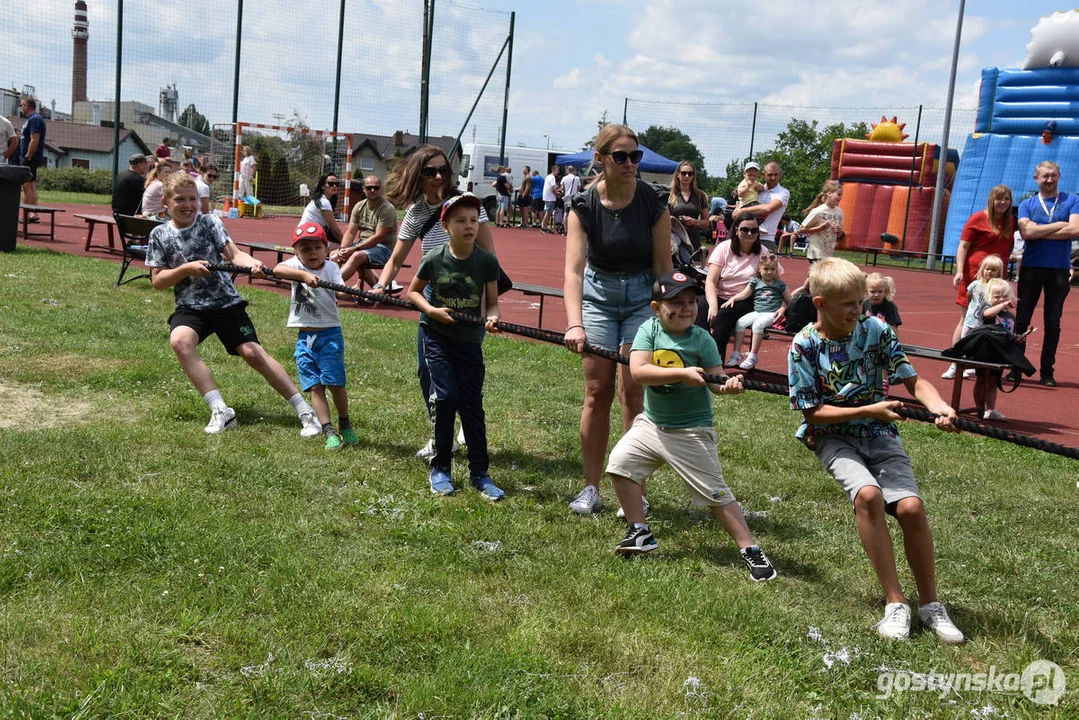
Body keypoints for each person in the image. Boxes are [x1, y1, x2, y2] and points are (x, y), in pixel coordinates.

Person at [789, 257, 965, 644]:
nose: (858, 310)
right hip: (832, 435)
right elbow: (812, 413)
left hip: (880, 433)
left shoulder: (876, 330)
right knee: (868, 496)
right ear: (820, 304)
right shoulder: (803, 345)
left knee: (911, 508)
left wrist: (939, 407)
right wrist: (868, 408)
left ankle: (931, 605)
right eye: (848, 303)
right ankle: (895, 603)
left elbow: (914, 381)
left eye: (860, 301)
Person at [606, 270, 778, 580]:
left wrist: (728, 385)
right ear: (656, 307)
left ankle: (750, 549)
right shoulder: (648, 331)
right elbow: (639, 372)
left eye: (691, 302)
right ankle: (639, 531)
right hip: (652, 424)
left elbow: (716, 381)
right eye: (677, 302)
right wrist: (682, 374)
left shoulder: (702, 339)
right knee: (620, 464)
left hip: (690, 431)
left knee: (716, 495)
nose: (686, 308)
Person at [145, 173, 321, 438]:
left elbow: (234, 254)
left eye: (192, 199)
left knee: (252, 353)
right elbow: (158, 281)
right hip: (190, 306)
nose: (188, 205)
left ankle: (305, 410)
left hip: (225, 302)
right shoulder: (159, 234)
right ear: (165, 201)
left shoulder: (209, 223)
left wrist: (252, 264)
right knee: (180, 341)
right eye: (180, 199)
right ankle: (220, 411)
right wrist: (186, 269)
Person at [563, 124, 672, 515]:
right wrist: (575, 322)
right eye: (621, 157)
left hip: (643, 297)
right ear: (601, 159)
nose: (630, 163)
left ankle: (633, 490)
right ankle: (591, 487)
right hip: (599, 296)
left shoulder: (654, 202)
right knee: (597, 392)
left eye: (635, 156)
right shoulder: (584, 205)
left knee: (634, 393)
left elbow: (664, 268)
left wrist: (666, 318)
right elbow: (574, 272)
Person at [375, 145, 500, 459]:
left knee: (464, 371)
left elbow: (490, 256)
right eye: (430, 171)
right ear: (418, 175)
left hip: (471, 302)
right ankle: (439, 433)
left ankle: (464, 428)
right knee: (426, 370)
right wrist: (380, 284)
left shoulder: (467, 204)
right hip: (433, 301)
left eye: (444, 169)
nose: (439, 176)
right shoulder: (417, 213)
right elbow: (396, 257)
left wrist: (488, 305)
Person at [407, 193, 505, 501]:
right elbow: (414, 293)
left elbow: (492, 305)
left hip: (470, 341)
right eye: (461, 221)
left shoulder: (487, 261)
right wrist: (433, 311)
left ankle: (480, 473)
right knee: (446, 398)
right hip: (436, 337)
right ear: (446, 225)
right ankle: (441, 469)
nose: (469, 226)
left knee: (472, 406)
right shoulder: (435, 258)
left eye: (474, 221)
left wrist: (491, 319)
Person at [272, 222, 359, 450]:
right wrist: (303, 276)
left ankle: (345, 423)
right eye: (305, 249)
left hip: (329, 334)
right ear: (296, 252)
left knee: (335, 383)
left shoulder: (330, 268)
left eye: (316, 248)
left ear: (326, 248)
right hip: (304, 337)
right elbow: (278, 270)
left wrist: (361, 292)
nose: (312, 253)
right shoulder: (295, 266)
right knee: (315, 386)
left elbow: (341, 290)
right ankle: (328, 429)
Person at [1015, 161, 1078, 387]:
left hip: (1059, 270)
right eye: (1044, 176)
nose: (1049, 180)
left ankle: (1047, 371)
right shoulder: (1027, 204)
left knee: (1053, 323)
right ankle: (1016, 367)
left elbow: (1075, 229)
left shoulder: (1072, 200)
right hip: (1031, 268)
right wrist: (1058, 225)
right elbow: (1025, 231)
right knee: (1021, 320)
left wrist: (1038, 232)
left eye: (1053, 176)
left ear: (1059, 176)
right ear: (1036, 178)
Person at [948, 185, 1015, 374]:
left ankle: (976, 361)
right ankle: (955, 361)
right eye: (999, 199)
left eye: (1007, 199)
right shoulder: (978, 218)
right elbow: (963, 246)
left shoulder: (1010, 221)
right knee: (967, 318)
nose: (1002, 203)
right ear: (991, 200)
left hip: (996, 280)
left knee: (990, 321)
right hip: (976, 275)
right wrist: (960, 271)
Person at [700, 215, 768, 367]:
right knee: (700, 309)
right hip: (720, 294)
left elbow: (771, 280)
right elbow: (711, 281)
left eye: (754, 230)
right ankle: (697, 352)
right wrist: (713, 306)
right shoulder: (724, 248)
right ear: (736, 230)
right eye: (745, 230)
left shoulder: (763, 252)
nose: (750, 234)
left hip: (745, 298)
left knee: (724, 314)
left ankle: (713, 361)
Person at [723, 252, 790, 370]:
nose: (769, 272)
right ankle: (736, 354)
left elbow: (790, 299)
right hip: (758, 312)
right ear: (759, 269)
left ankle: (753, 356)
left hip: (772, 314)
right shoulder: (755, 282)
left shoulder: (780, 284)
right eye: (766, 269)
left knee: (758, 325)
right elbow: (744, 294)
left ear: (776, 270)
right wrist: (733, 298)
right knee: (740, 322)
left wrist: (782, 308)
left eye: (773, 269)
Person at [335, 174, 401, 292]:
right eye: (369, 187)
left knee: (357, 256)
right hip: (364, 245)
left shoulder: (387, 209)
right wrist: (343, 249)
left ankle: (328, 286)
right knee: (335, 255)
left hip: (385, 248)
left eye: (376, 187)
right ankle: (379, 289)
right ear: (363, 189)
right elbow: (350, 232)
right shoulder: (359, 206)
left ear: (381, 189)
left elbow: (378, 237)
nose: (372, 190)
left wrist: (354, 249)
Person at [944, 254, 1005, 380]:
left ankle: (973, 366)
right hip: (971, 320)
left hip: (985, 324)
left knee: (979, 345)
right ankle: (955, 366)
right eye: (987, 269)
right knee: (964, 342)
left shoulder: (997, 287)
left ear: (998, 272)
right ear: (982, 269)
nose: (989, 272)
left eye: (993, 270)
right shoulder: (975, 284)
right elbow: (969, 296)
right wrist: (971, 311)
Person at [977, 277, 1017, 421]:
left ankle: (991, 409)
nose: (1001, 300)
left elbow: (1009, 333)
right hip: (985, 351)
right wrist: (1002, 305)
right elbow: (987, 314)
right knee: (981, 380)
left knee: (993, 382)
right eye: (997, 296)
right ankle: (979, 408)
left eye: (1005, 297)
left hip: (1000, 353)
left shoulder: (1009, 316)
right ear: (989, 297)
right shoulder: (987, 309)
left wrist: (1016, 337)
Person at [736, 161, 790, 250]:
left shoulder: (783, 193)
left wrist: (742, 211)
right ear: (763, 175)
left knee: (765, 264)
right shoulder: (756, 189)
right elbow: (736, 211)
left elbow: (768, 209)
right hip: (745, 236)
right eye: (769, 175)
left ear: (781, 175)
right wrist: (740, 208)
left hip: (766, 238)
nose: (773, 177)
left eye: (776, 175)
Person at [668, 161, 710, 251]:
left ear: (693, 176)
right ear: (678, 175)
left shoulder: (700, 195)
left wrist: (695, 222)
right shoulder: (669, 194)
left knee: (695, 264)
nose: (687, 176)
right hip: (674, 238)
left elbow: (707, 223)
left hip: (693, 239)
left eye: (690, 173)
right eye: (684, 173)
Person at [801, 181, 844, 263]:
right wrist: (820, 228)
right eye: (838, 194)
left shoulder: (839, 212)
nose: (840, 197)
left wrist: (839, 231)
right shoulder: (818, 211)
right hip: (816, 253)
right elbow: (801, 230)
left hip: (829, 253)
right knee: (818, 275)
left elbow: (840, 234)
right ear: (829, 194)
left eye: (841, 195)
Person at [18, 97, 46, 222]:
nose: (21, 107)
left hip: (30, 158)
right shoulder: (32, 119)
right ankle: (34, 214)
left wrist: (27, 157)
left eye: (23, 105)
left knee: (26, 185)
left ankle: (27, 213)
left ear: (28, 106)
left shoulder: (34, 119)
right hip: (30, 157)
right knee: (32, 184)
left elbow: (34, 139)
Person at [300, 174, 344, 243]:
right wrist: (348, 246)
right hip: (307, 236)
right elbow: (336, 230)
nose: (334, 186)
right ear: (322, 186)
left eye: (337, 184)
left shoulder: (320, 199)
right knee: (340, 250)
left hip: (303, 234)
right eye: (331, 184)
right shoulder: (324, 202)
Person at [541, 164, 560, 234]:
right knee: (548, 212)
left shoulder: (548, 176)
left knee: (547, 211)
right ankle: (544, 227)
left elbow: (552, 188)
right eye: (557, 170)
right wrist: (557, 194)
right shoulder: (552, 177)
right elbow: (552, 189)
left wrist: (556, 191)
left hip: (547, 196)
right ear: (553, 170)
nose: (558, 172)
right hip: (550, 197)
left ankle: (544, 226)